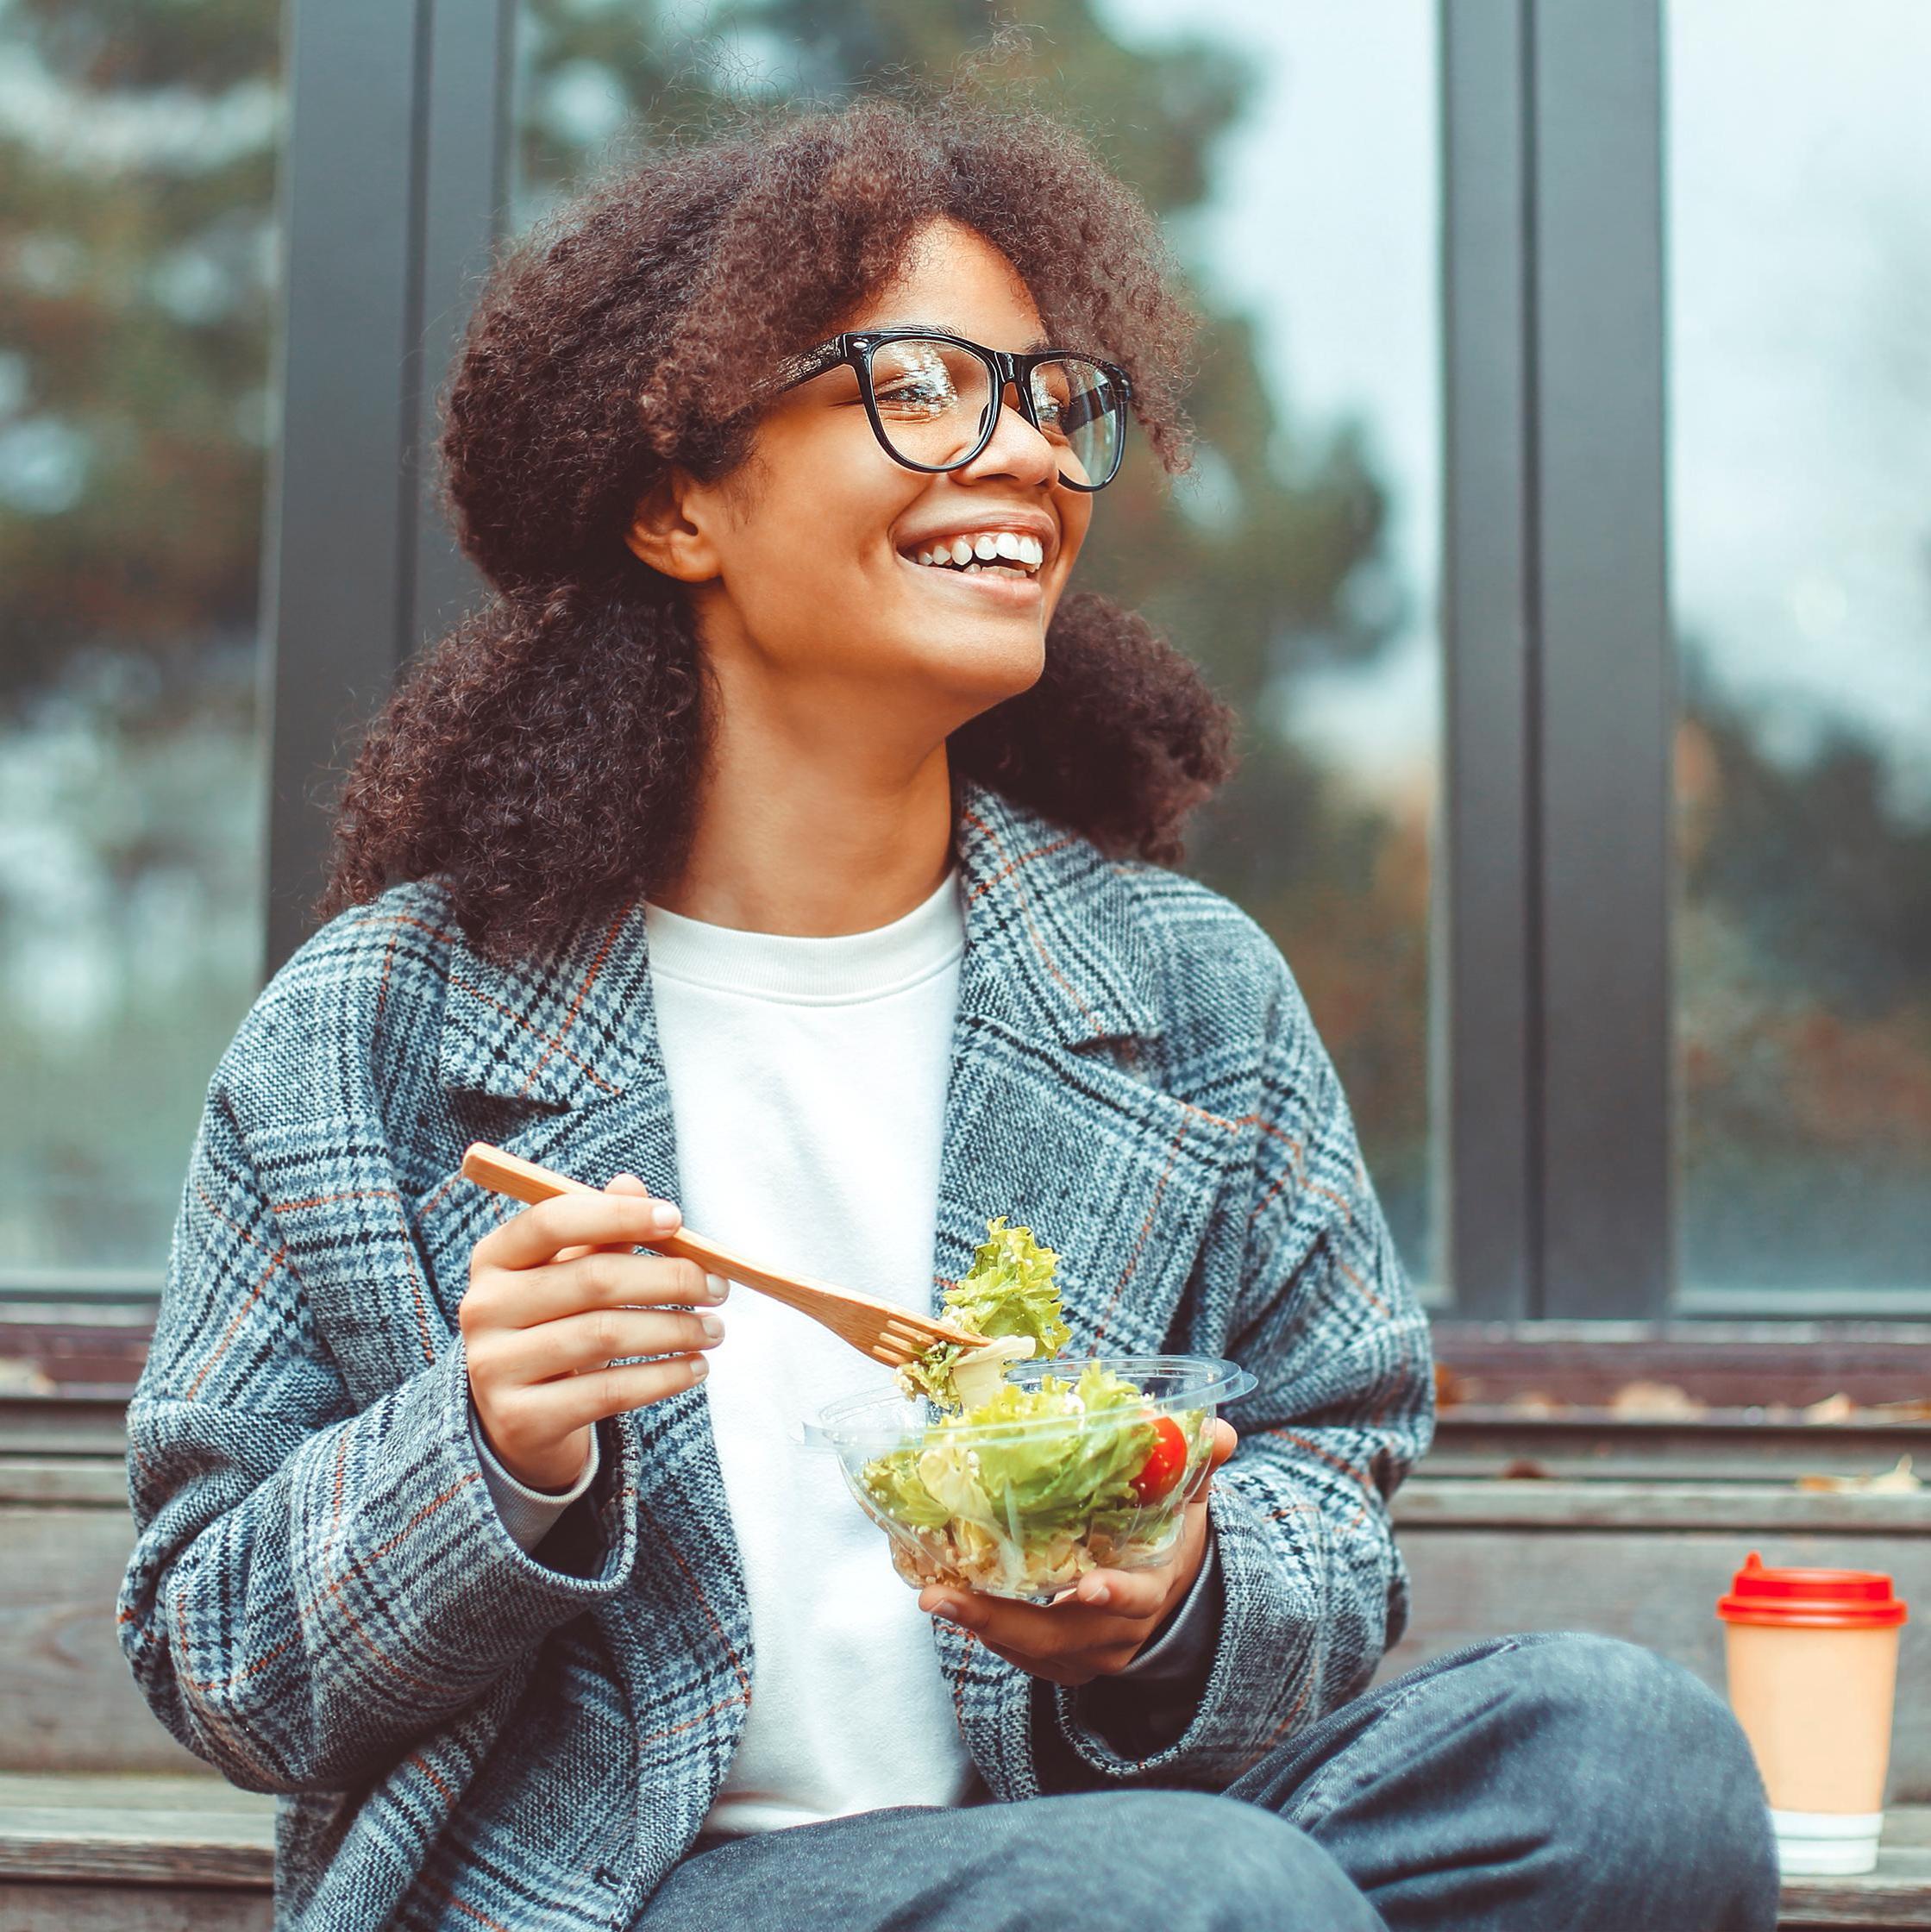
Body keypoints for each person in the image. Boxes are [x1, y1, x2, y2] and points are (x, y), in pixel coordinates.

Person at [118, 79, 1777, 1932]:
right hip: (624, 1892)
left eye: (1059, 402)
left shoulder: (1181, 990)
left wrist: (1175, 1592)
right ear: (679, 503)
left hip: (1101, 1846)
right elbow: (217, 1658)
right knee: (1197, 1899)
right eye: (921, 387)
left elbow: (1334, 1486)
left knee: (1627, 1764)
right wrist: (489, 1448)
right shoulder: (383, 1025)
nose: (1031, 459)